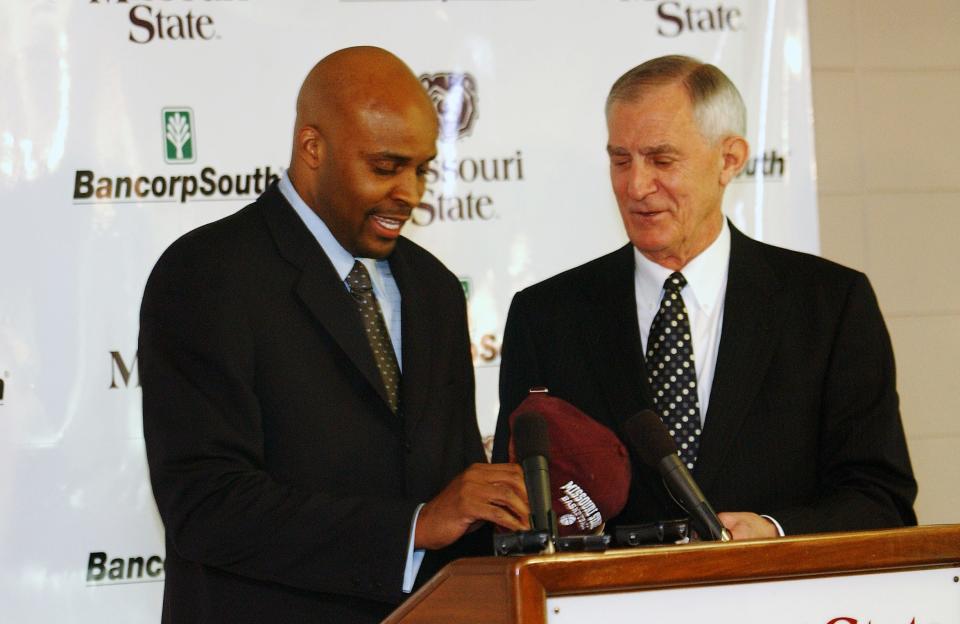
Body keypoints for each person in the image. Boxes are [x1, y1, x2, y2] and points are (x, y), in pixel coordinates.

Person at [140, 46, 529, 623]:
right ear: (312, 148)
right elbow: (206, 502)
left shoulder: (435, 289)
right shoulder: (206, 272)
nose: (411, 194)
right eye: (385, 167)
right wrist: (415, 526)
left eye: (421, 169)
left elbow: (452, 485)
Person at [493, 55, 916, 540]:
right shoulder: (547, 315)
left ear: (729, 159)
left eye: (661, 159)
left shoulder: (829, 304)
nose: (636, 186)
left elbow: (881, 499)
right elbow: (516, 507)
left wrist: (774, 532)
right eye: (620, 160)